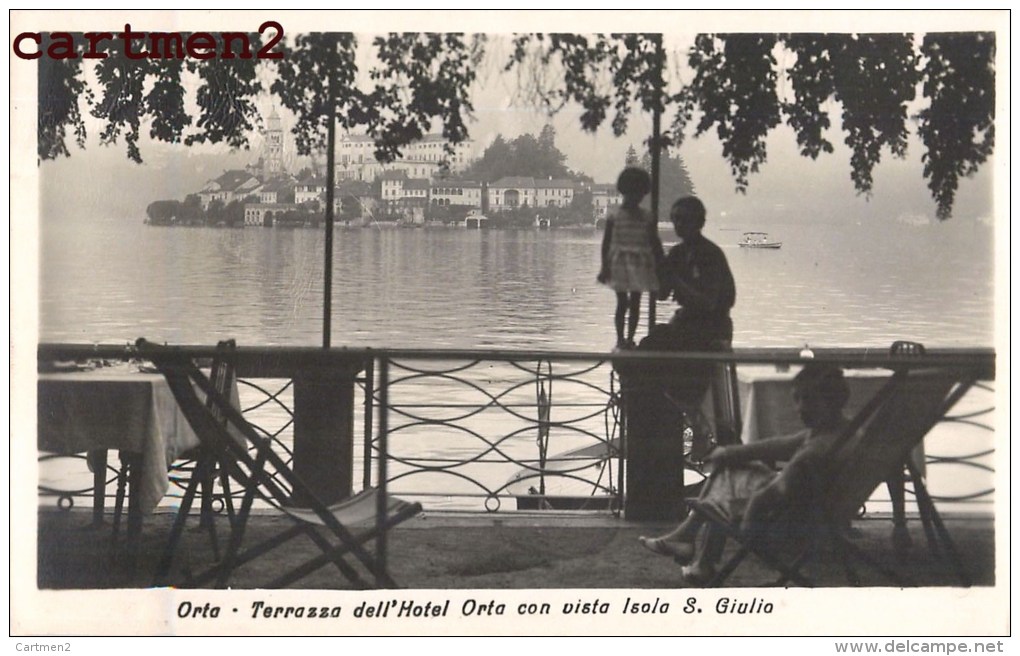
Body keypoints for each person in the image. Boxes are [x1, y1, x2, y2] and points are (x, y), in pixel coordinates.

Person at [637, 362, 852, 586]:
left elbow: (770, 495)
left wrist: (746, 527)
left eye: (807, 400)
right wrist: (729, 453)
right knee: (730, 466)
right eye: (797, 399)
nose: (799, 408)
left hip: (786, 525)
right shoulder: (840, 433)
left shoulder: (816, 450)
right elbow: (779, 446)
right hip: (808, 511)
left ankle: (693, 549)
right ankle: (691, 547)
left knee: (724, 488)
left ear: (832, 401)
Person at [597, 167, 664, 350]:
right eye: (632, 194)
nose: (635, 198)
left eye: (639, 195)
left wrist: (660, 266)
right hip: (619, 263)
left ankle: (630, 338)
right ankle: (620, 338)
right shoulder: (614, 216)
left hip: (640, 263)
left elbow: (654, 242)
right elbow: (606, 244)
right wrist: (605, 267)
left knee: (635, 301)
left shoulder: (647, 217)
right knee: (622, 302)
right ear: (624, 192)